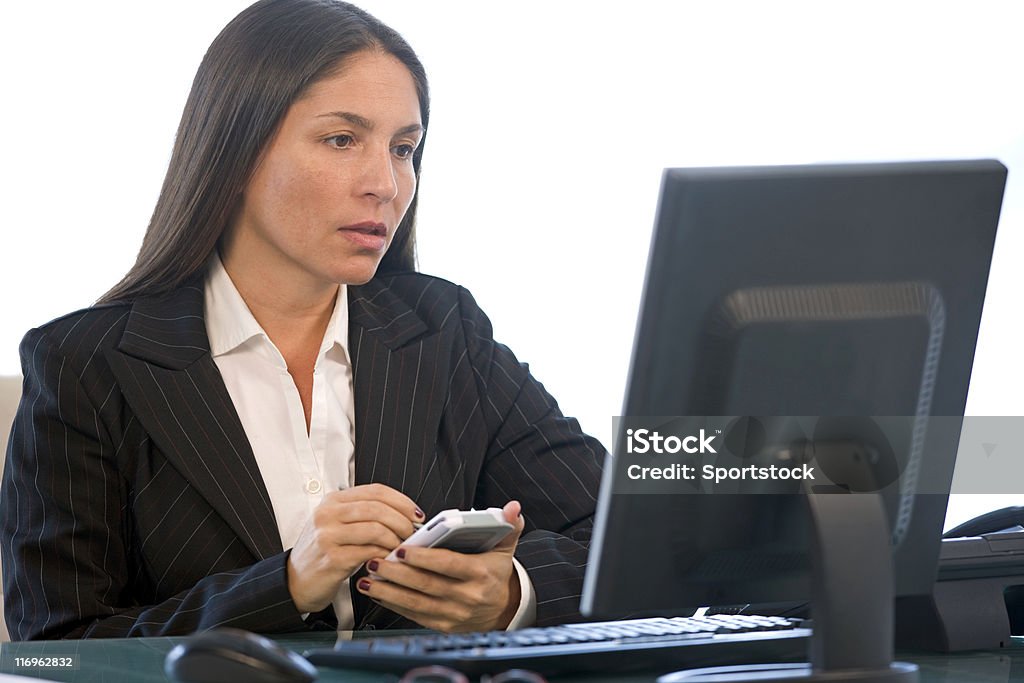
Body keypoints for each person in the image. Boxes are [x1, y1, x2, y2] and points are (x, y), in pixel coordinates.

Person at [0, 0, 604, 640]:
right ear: (235, 148)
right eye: (341, 139)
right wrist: (284, 584)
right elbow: (53, 651)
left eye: (404, 148)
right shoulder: (85, 366)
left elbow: (627, 541)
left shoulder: (447, 331)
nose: (385, 183)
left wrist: (512, 594)